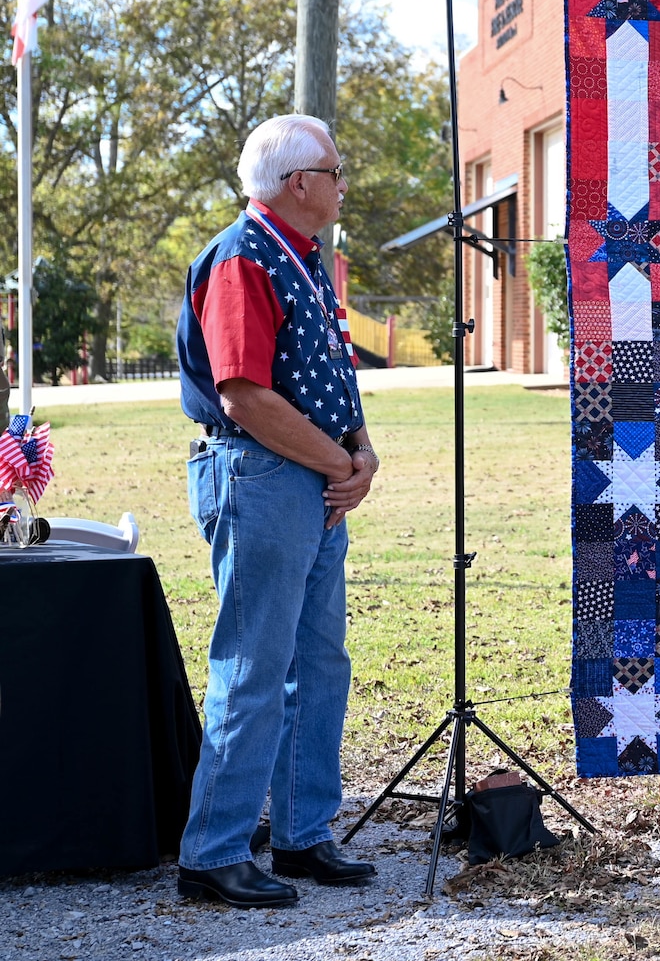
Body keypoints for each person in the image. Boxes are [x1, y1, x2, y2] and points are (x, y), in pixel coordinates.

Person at [174, 115, 380, 909]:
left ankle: (300, 832)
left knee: (319, 661)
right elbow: (245, 395)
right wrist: (339, 463)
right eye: (336, 169)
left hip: (313, 479)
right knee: (255, 666)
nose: (341, 183)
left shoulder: (304, 255)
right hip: (261, 475)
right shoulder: (242, 257)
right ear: (300, 183)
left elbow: (333, 370)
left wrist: (359, 449)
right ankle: (214, 851)